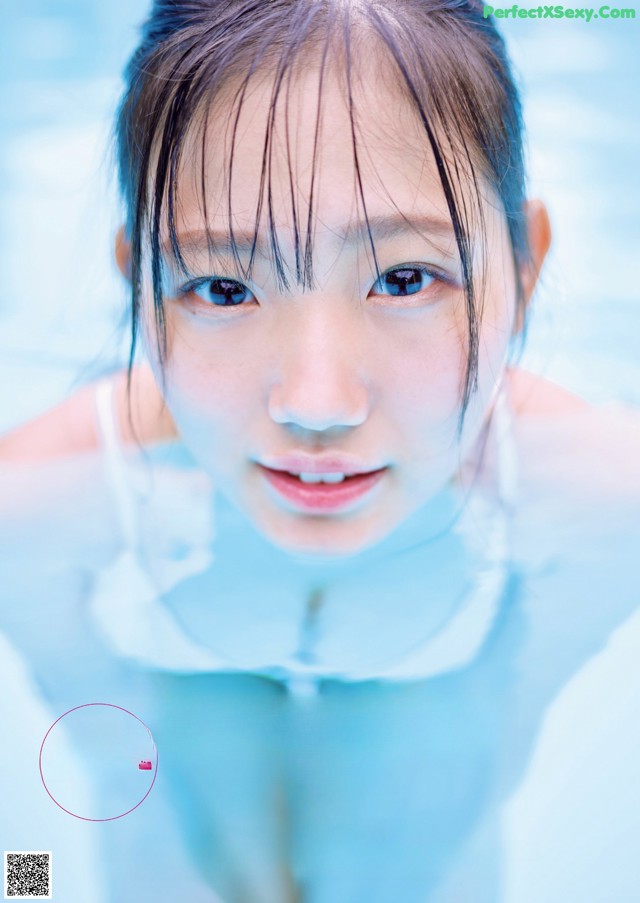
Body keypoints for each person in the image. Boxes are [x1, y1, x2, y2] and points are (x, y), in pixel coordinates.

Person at [1, 0, 639, 900]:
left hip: (433, 747)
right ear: (138, 288)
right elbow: (106, 746)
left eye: (404, 278)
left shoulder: (607, 502)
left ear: (524, 269)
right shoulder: (36, 510)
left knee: (420, 815)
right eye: (222, 287)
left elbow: (499, 739)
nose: (317, 405)